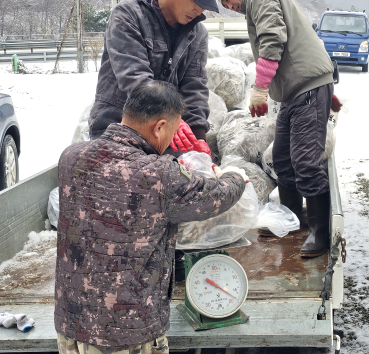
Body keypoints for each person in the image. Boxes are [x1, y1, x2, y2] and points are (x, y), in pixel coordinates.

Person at [55, 81, 248, 353]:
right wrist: (234, 176)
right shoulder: (159, 174)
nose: (171, 141)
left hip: (72, 327)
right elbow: (217, 196)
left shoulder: (70, 157)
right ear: (159, 127)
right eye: (172, 131)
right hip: (128, 336)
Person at [217, 0, 336, 258]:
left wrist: (260, 88)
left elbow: (273, 38)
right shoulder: (256, 1)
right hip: (297, 91)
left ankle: (321, 231)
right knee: (282, 159)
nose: (230, 6)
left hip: (306, 89)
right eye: (225, 5)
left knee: (305, 163)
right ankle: (292, 216)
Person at [89, 0, 220, 156]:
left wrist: (197, 136)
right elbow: (134, 78)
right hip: (118, 127)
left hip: (165, 133)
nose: (199, 11)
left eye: (204, 6)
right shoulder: (128, 15)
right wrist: (172, 120)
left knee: (189, 172)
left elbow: (194, 86)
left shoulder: (197, 34)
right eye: (196, 1)